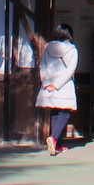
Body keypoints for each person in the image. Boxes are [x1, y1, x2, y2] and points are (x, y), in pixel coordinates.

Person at [35, 24, 77, 156]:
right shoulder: (72, 50)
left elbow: (42, 66)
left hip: (49, 87)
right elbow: (70, 70)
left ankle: (56, 144)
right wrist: (57, 84)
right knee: (64, 114)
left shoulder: (48, 48)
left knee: (54, 113)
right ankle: (53, 139)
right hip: (63, 87)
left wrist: (47, 83)